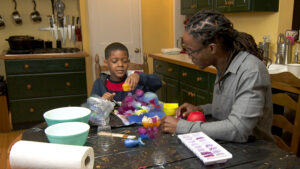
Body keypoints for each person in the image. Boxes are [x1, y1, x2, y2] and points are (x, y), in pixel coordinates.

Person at [160, 10, 274, 143]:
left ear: (212, 48)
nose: (189, 56)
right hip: (229, 144)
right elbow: (228, 108)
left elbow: (239, 129)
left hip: (254, 151)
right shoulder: (224, 63)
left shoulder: (251, 70)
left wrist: (182, 127)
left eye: (191, 51)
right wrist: (201, 109)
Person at [91, 42, 162, 101]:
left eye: (124, 61)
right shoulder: (99, 84)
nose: (120, 64)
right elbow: (92, 110)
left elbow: (158, 83)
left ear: (128, 62)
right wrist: (102, 103)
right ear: (106, 63)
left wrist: (139, 77)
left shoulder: (135, 80)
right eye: (114, 61)